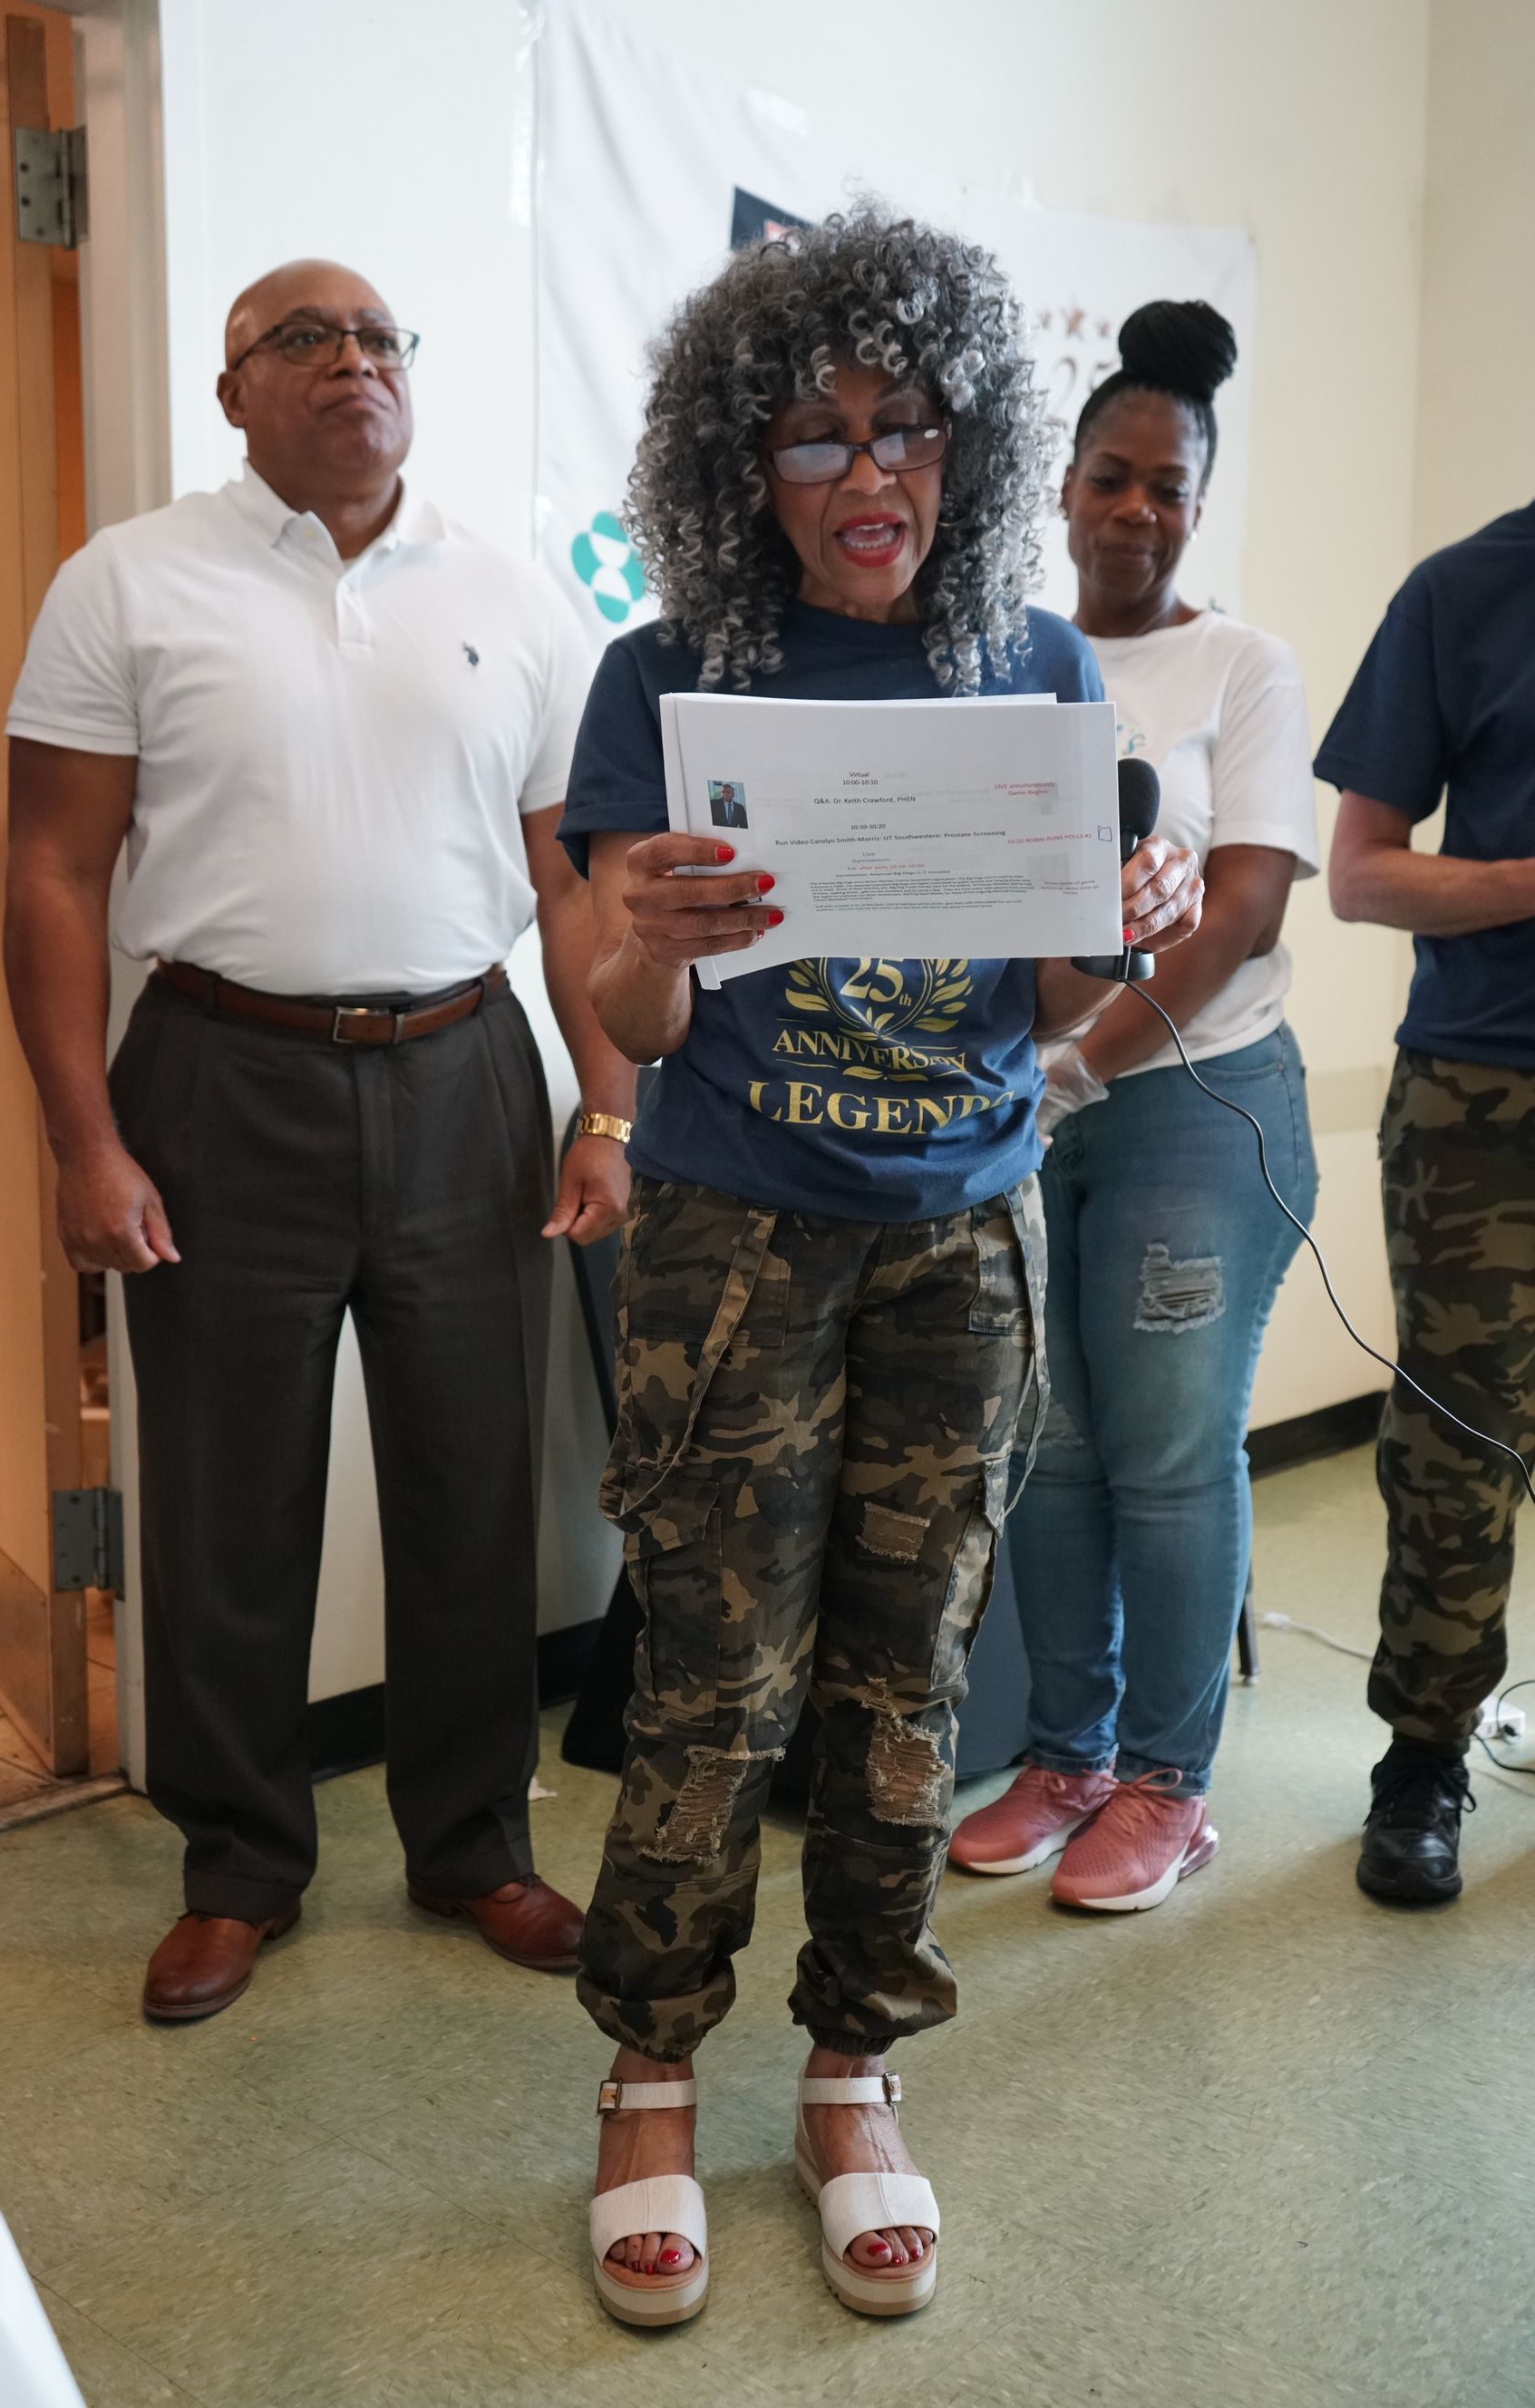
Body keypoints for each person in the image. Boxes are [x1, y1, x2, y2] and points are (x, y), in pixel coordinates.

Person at [557, 209, 1203, 2327]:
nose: (862, 474)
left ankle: (851, 2064)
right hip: (737, 1234)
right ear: (741, 464)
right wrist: (635, 934)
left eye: (899, 425)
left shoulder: (1030, 666)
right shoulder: (664, 673)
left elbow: (1038, 995)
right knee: (708, 1681)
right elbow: (626, 1028)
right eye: (813, 434)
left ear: (959, 440)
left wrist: (1120, 904)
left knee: (909, 1676)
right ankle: (649, 2070)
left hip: (964, 1232)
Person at [3, 259, 636, 2022]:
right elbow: (49, 869)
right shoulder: (127, 583)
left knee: (469, 1479)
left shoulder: (507, 599)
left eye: (377, 339)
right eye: (303, 339)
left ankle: (470, 1843)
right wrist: (81, 1137)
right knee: (223, 1492)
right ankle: (240, 1861)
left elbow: (565, 880)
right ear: (233, 393)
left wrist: (605, 1105)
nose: (350, 364)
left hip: (463, 1079)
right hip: (216, 1077)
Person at [949, 302, 1318, 1912]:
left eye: (1169, 488)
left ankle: (1171, 1785)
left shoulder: (1243, 665)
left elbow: (1239, 908)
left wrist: (1074, 1061)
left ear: (1194, 505)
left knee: (1169, 1452)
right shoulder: (1009, 659)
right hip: (1034, 1106)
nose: (1137, 510)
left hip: (1192, 1105)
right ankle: (1068, 1755)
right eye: (1112, 476)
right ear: (1066, 486)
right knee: (1055, 1444)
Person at [1318, 497, 1535, 1903]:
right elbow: (1361, 872)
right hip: (1488, 1095)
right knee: (1462, 1446)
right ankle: (1424, 1756)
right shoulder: (1466, 593)